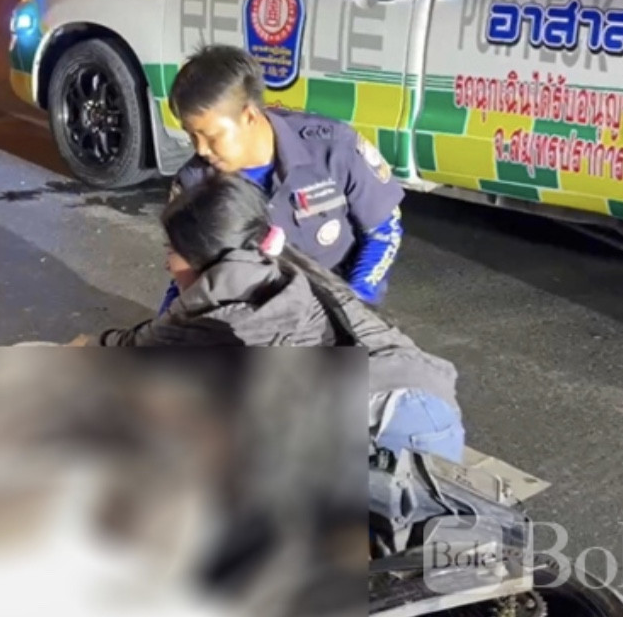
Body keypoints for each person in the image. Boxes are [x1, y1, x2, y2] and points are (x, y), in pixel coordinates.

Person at [83, 172, 463, 464]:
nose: (167, 263)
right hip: (431, 403)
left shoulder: (223, 302)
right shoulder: (280, 263)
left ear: (205, 255)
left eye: (172, 250)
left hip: (390, 430)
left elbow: (141, 351)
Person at [156, 44, 405, 316]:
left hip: (336, 305)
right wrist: (163, 330)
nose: (201, 149)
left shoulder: (333, 148)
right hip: (250, 322)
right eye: (192, 136)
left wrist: (354, 307)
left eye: (212, 136)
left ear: (249, 115)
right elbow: (186, 275)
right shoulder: (194, 184)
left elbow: (384, 231)